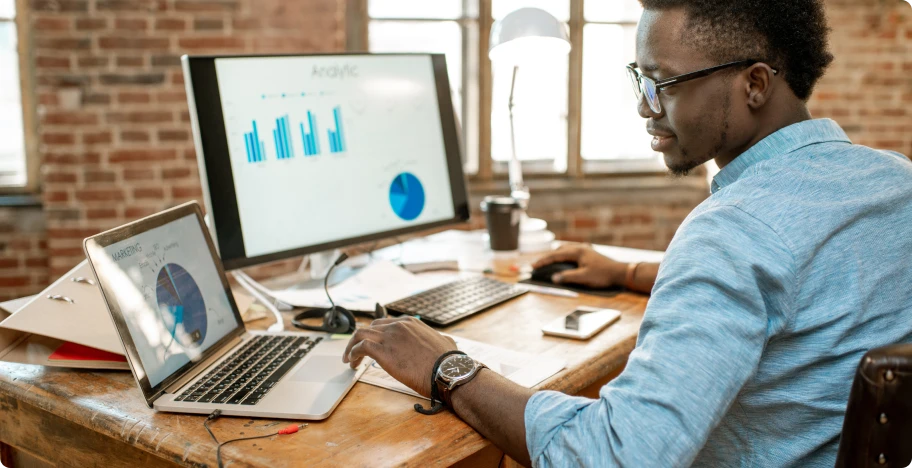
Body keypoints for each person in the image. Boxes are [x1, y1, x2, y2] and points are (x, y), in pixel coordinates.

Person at [343, 0, 912, 465]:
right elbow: (807, 280)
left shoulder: (731, 233)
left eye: (664, 83)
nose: (644, 107)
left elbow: (615, 455)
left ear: (755, 84)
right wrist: (628, 273)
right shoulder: (894, 182)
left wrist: (449, 367)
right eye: (640, 79)